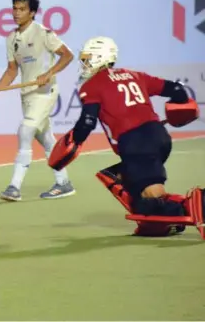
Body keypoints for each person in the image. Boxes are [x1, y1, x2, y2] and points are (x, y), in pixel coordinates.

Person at [48, 36, 204, 239]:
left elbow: (87, 122)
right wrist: (177, 112)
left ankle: (195, 203)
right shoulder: (135, 75)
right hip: (159, 137)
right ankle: (153, 224)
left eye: (87, 59)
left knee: (152, 196)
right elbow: (177, 91)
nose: (83, 64)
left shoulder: (92, 86)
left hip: (135, 142)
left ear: (99, 57)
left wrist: (72, 141)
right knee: (115, 178)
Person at [0, 0, 75, 202]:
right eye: (15, 8)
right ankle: (63, 182)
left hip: (45, 93)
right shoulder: (11, 38)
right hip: (27, 94)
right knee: (45, 139)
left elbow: (68, 55)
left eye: (22, 9)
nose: (16, 13)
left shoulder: (43, 33)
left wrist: (49, 73)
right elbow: (11, 71)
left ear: (33, 12)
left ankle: (14, 187)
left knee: (25, 130)